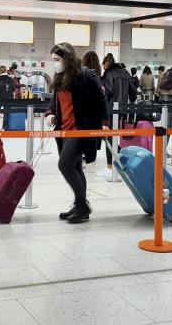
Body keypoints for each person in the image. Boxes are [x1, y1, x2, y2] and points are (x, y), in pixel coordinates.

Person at [45, 43, 109, 224]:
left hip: (81, 129)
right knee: (75, 167)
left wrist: (104, 122)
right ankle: (81, 206)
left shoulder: (86, 74)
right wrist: (50, 113)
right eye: (53, 61)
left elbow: (101, 98)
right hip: (64, 129)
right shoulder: (60, 76)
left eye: (57, 59)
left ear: (68, 57)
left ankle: (82, 205)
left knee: (64, 165)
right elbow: (55, 99)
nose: (55, 63)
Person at [98, 53, 137, 179]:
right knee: (113, 136)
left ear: (106, 64)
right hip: (122, 110)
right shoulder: (125, 73)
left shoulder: (109, 73)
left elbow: (108, 92)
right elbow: (133, 93)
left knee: (109, 136)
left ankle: (110, 166)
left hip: (110, 109)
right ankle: (121, 157)